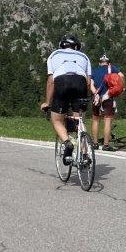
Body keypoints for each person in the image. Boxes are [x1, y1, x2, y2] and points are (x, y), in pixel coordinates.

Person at [42, 35, 97, 163]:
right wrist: (82, 100)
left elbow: (51, 82)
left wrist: (47, 102)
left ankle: (67, 143)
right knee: (80, 121)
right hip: (80, 83)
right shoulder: (84, 57)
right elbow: (88, 83)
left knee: (56, 120)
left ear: (62, 45)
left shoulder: (54, 55)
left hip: (62, 81)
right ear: (76, 46)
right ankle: (84, 155)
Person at [90, 55, 123, 150]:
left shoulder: (95, 70)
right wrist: (122, 87)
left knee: (96, 120)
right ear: (108, 62)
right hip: (108, 97)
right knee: (107, 121)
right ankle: (106, 145)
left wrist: (95, 94)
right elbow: (121, 76)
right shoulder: (112, 68)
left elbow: (91, 85)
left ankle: (95, 144)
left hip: (96, 98)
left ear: (100, 62)